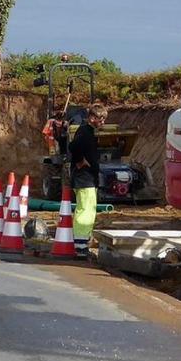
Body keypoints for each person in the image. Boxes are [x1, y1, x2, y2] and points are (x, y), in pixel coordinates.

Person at [68, 104, 107, 255]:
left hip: (88, 178)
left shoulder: (88, 132)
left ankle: (82, 241)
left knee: (88, 209)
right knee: (85, 210)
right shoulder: (85, 131)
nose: (102, 122)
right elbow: (74, 147)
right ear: (92, 118)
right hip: (84, 179)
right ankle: (80, 245)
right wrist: (80, 162)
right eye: (100, 119)